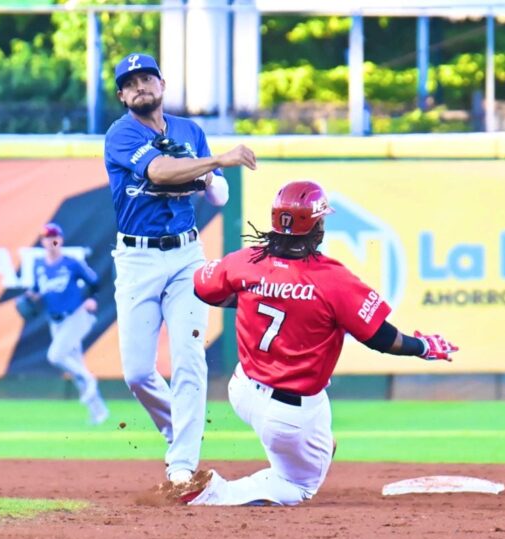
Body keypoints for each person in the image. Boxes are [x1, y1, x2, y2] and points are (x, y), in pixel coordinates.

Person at [187, 181, 459, 506]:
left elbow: (203, 289)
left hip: (243, 389)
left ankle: (310, 446)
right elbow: (381, 338)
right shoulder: (331, 278)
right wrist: (423, 347)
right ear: (315, 226)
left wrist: (257, 294)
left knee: (316, 436)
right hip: (288, 413)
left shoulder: (245, 261)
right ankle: (216, 493)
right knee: (298, 486)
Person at [103, 52, 257, 485]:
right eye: (130, 83)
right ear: (121, 95)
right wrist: (214, 162)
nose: (139, 86)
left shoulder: (190, 131)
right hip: (137, 258)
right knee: (137, 372)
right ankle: (179, 433)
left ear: (162, 84)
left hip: (186, 256)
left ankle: (182, 466)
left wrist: (209, 176)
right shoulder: (121, 134)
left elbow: (219, 198)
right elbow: (160, 171)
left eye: (146, 78)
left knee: (190, 359)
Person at [25, 222, 109, 425]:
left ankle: (90, 379)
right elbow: (36, 290)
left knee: (55, 355)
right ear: (42, 241)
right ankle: (98, 413)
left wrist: (92, 298)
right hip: (56, 322)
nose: (50, 241)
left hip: (76, 316)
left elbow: (94, 282)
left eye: (54, 237)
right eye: (46, 238)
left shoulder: (71, 263)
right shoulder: (39, 265)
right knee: (76, 364)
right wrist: (30, 297)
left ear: (60, 240)